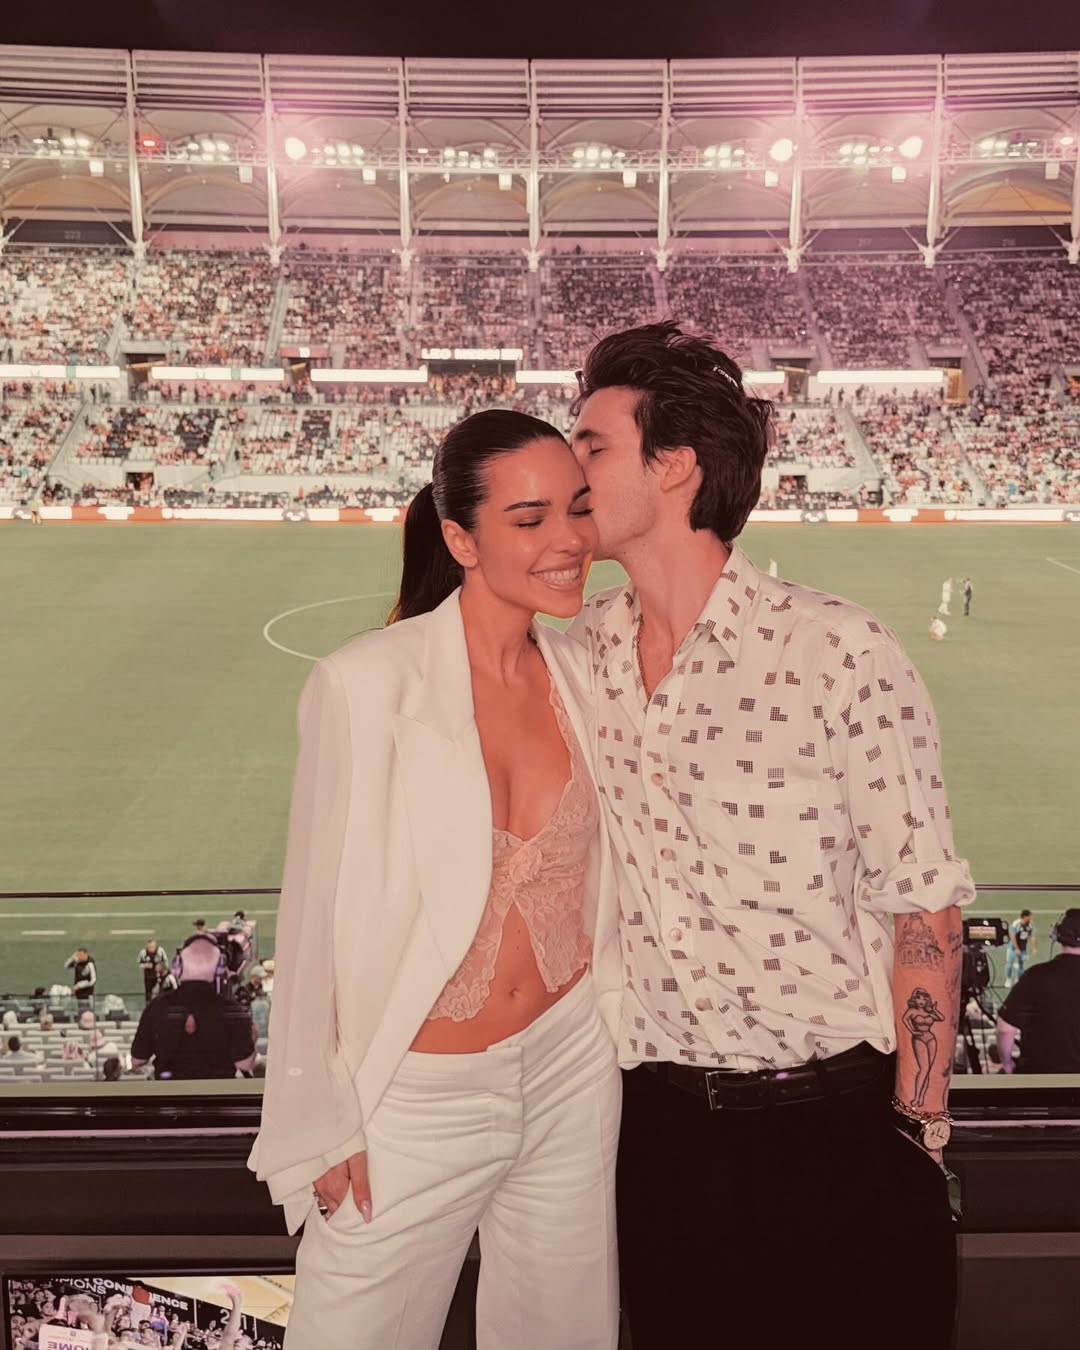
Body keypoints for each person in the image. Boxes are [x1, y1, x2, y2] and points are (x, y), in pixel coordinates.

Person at [568, 321, 975, 1350]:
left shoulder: (837, 651)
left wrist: (917, 1136)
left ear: (675, 468)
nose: (570, 468)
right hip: (657, 1140)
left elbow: (924, 903)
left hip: (836, 1130)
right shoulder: (581, 657)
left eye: (592, 445)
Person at [250, 409, 622, 1350]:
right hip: (415, 1096)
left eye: (577, 510)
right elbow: (313, 918)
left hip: (573, 1063)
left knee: (564, 1334)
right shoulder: (362, 684)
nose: (570, 540)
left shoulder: (586, 666)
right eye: (530, 519)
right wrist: (316, 1121)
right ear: (459, 537)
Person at [129, 934, 256, 1080]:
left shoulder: (157, 1007)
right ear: (220, 968)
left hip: (168, 1096)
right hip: (217, 1095)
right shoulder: (232, 1011)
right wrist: (251, 1037)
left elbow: (137, 1060)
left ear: (178, 966)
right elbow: (245, 1064)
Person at [996, 909, 1080, 1073]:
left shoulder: (1035, 976)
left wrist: (1006, 1064)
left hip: (1041, 1082)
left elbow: (1005, 1028)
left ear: (1057, 934)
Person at [1005, 907, 1037, 987]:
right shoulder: (1016, 924)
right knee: (1009, 963)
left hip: (1023, 947)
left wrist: (1034, 948)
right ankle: (1008, 979)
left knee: (1021, 964)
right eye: (1029, 916)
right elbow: (1012, 936)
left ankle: (1018, 980)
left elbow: (1032, 936)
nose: (1031, 917)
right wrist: (1016, 948)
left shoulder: (1030, 925)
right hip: (1013, 947)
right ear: (1025, 917)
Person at [138, 938, 168, 1003]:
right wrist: (146, 965)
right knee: (148, 992)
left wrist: (163, 968)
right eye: (149, 947)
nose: (151, 949)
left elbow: (165, 961)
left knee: (161, 991)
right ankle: (148, 1004)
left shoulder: (160, 951)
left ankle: (162, 1003)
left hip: (159, 976)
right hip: (148, 976)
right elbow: (139, 963)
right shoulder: (143, 952)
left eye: (152, 947)